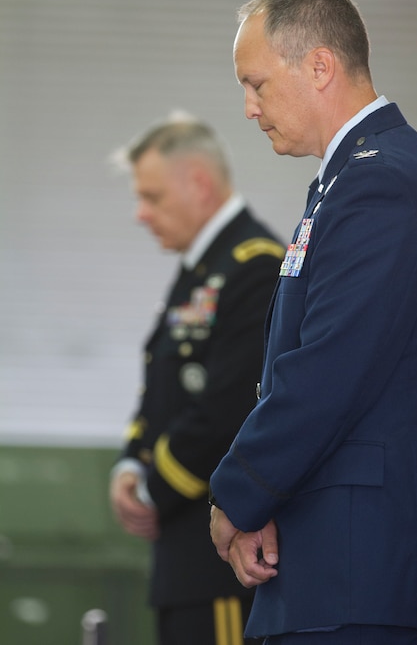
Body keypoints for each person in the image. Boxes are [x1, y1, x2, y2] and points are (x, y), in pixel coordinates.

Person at [209, 0, 417, 645]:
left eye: (258, 83)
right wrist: (268, 499)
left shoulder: (381, 183)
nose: (248, 107)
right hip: (332, 561)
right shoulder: (350, 179)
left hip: (360, 569)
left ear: (320, 65)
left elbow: (328, 371)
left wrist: (238, 493)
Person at [109, 113, 285, 645]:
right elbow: (161, 384)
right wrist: (129, 461)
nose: (142, 214)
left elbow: (228, 409)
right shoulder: (203, 269)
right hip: (184, 557)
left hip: (219, 563)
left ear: (199, 185)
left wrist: (150, 487)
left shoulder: (252, 266)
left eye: (153, 197)